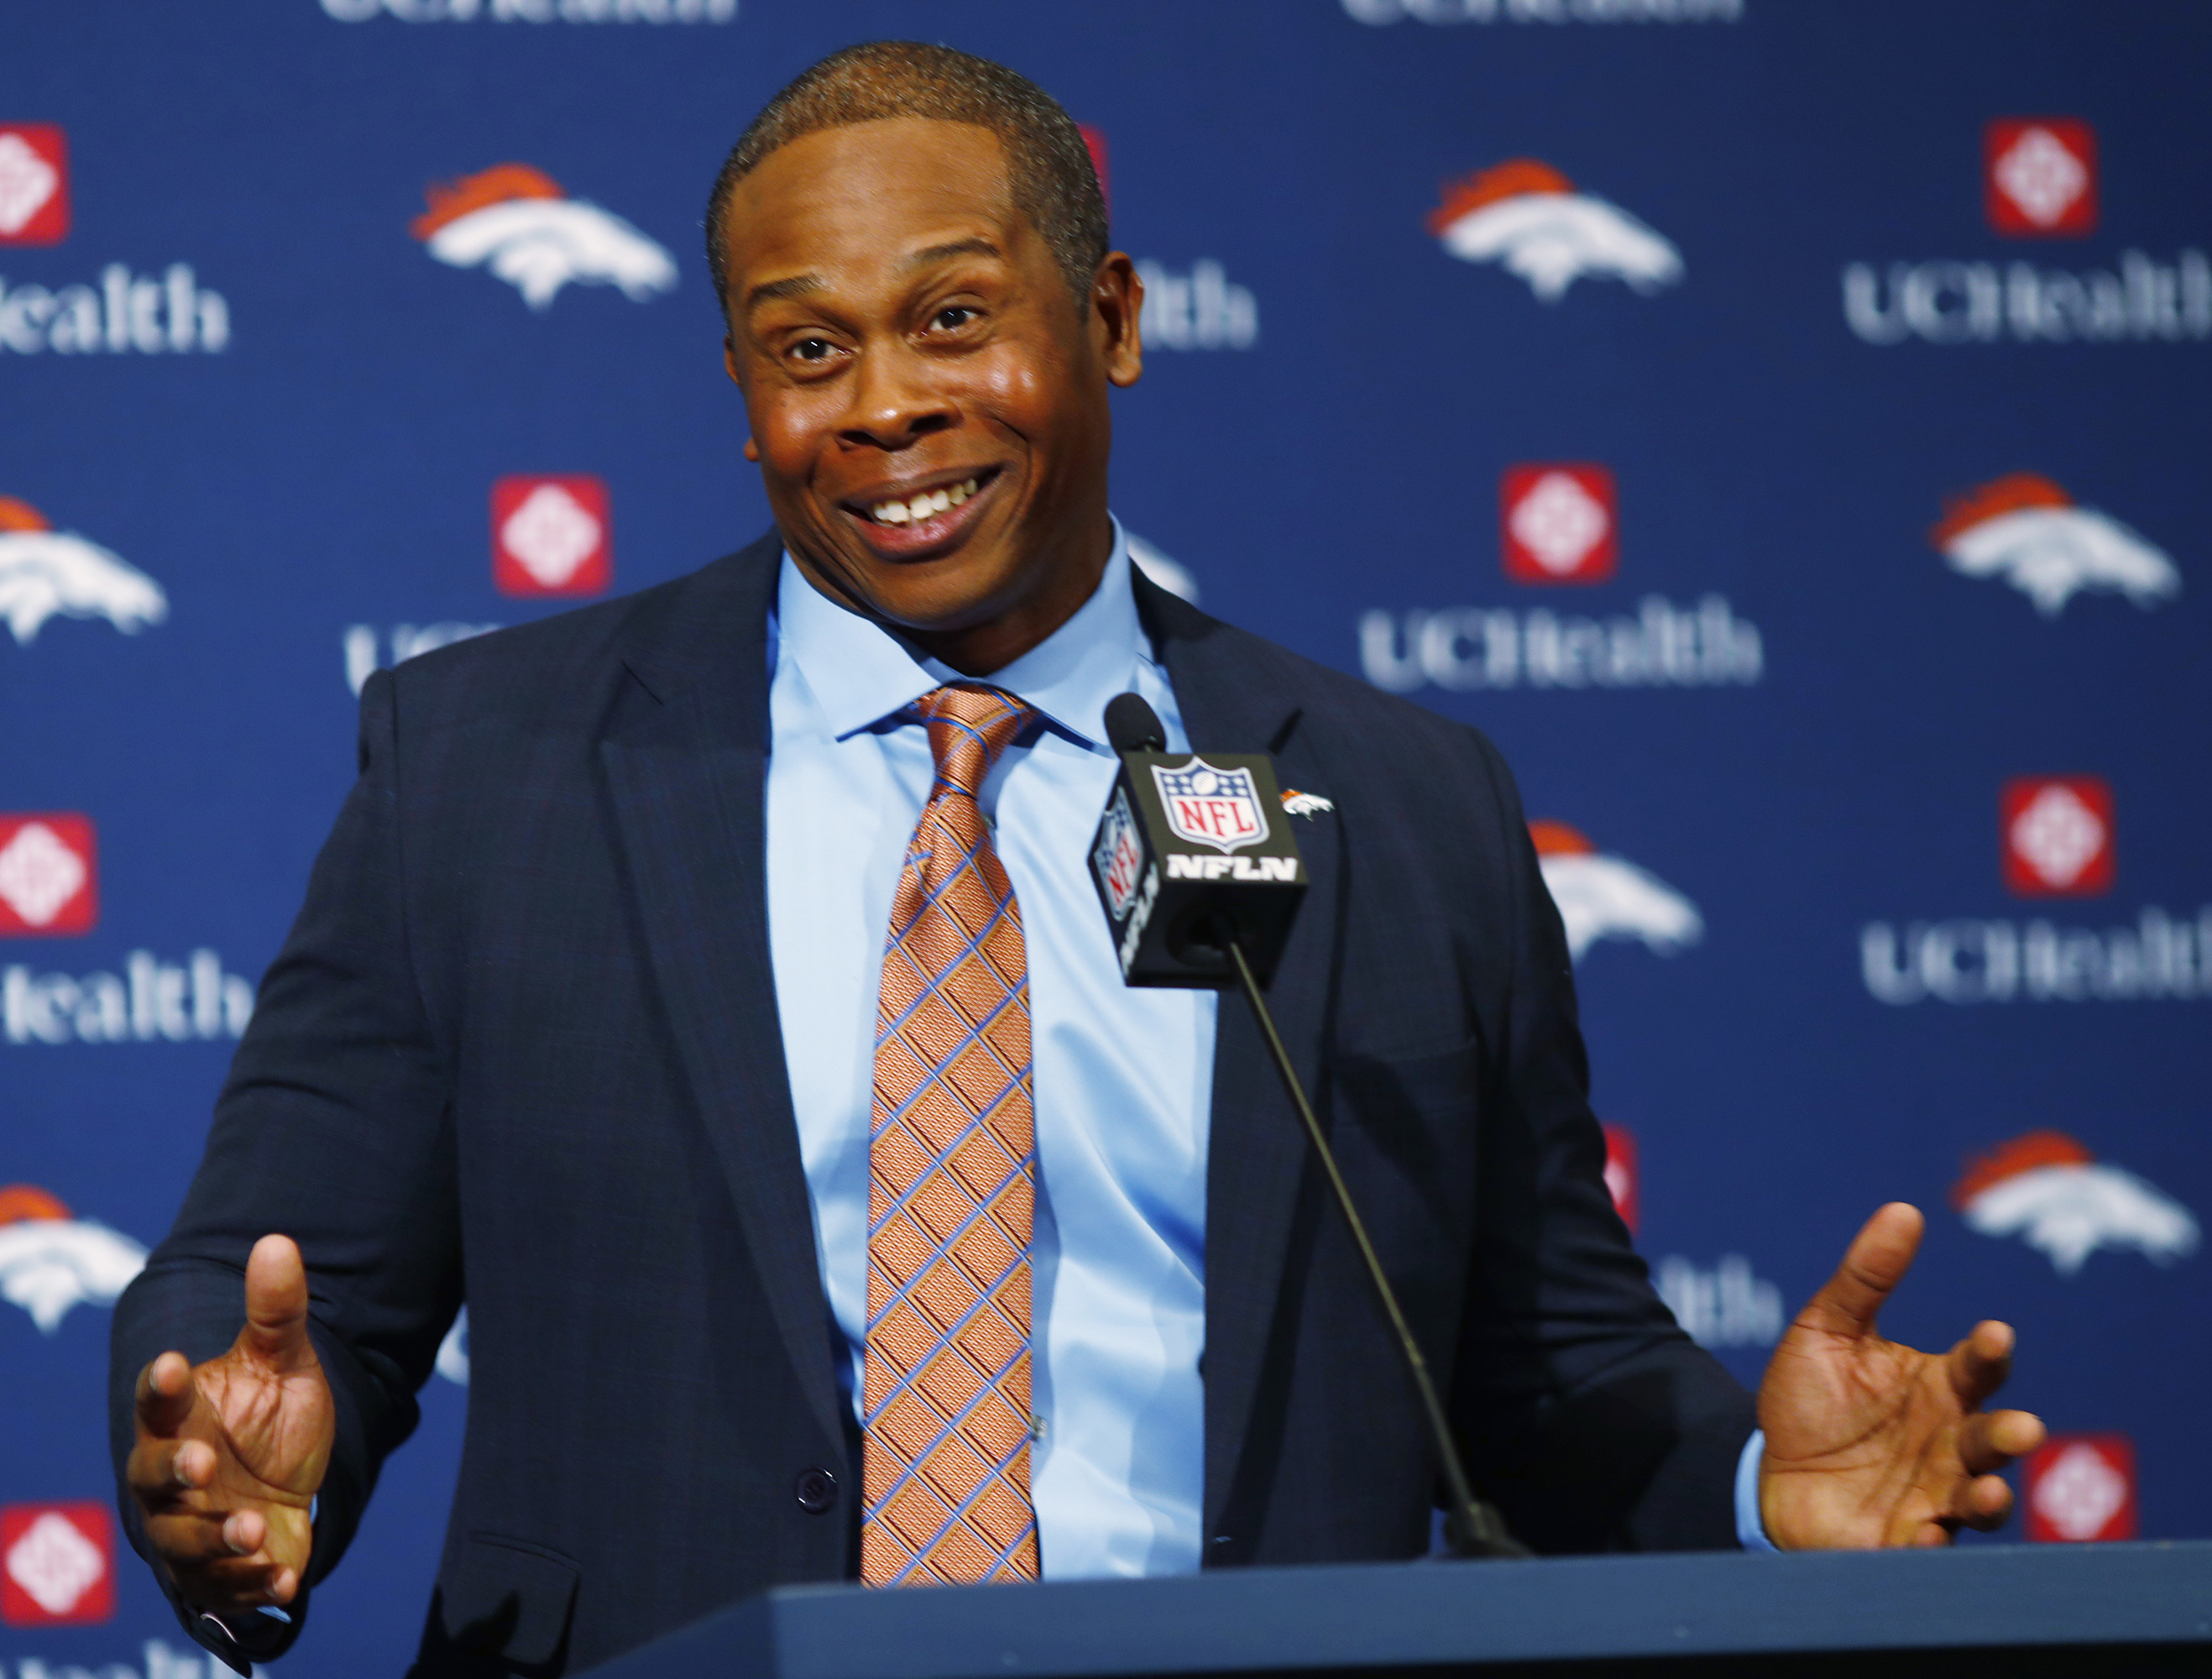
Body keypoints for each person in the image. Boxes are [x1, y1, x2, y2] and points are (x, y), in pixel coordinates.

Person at [112, 41, 2046, 1675]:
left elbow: (1530, 1361)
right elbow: (291, 1283)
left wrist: (1749, 1491)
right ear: (740, 383)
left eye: (954, 317)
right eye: (807, 349)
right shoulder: (487, 764)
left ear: (1109, 321)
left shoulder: (1403, 797)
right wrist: (242, 1463)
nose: (883, 409)